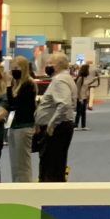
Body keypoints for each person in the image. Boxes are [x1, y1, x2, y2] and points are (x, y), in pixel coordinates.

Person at [34, 53, 78, 182]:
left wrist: (51, 124)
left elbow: (64, 103)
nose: (47, 66)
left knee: (50, 167)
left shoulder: (60, 80)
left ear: (58, 65)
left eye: (50, 64)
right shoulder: (66, 78)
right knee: (56, 165)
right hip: (62, 125)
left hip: (57, 128)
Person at [6, 55, 37, 183]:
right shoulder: (16, 85)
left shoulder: (28, 85)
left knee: (23, 162)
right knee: (14, 162)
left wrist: (8, 86)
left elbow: (14, 104)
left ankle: (25, 187)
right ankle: (16, 186)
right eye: (12, 68)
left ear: (24, 68)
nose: (14, 70)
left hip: (24, 127)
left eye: (17, 68)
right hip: (14, 126)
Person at [74, 64, 91, 130]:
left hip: (84, 97)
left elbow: (85, 88)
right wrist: (79, 98)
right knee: (79, 111)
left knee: (84, 112)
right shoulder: (81, 78)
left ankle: (83, 125)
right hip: (80, 97)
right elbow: (78, 89)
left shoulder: (85, 78)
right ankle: (75, 125)